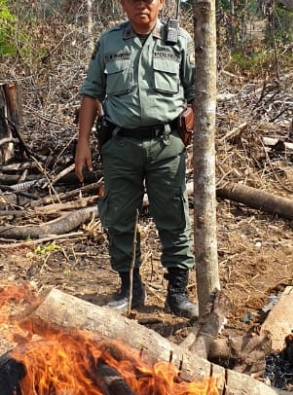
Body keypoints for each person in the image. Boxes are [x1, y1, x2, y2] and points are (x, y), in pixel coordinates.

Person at [74, 0, 198, 319]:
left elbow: (198, 95)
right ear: (123, 4)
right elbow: (91, 93)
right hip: (120, 147)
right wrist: (82, 144)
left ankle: (177, 293)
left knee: (174, 216)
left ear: (161, 3)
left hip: (167, 146)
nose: (142, 5)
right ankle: (130, 288)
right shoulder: (109, 41)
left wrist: (197, 144)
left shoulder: (179, 40)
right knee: (119, 217)